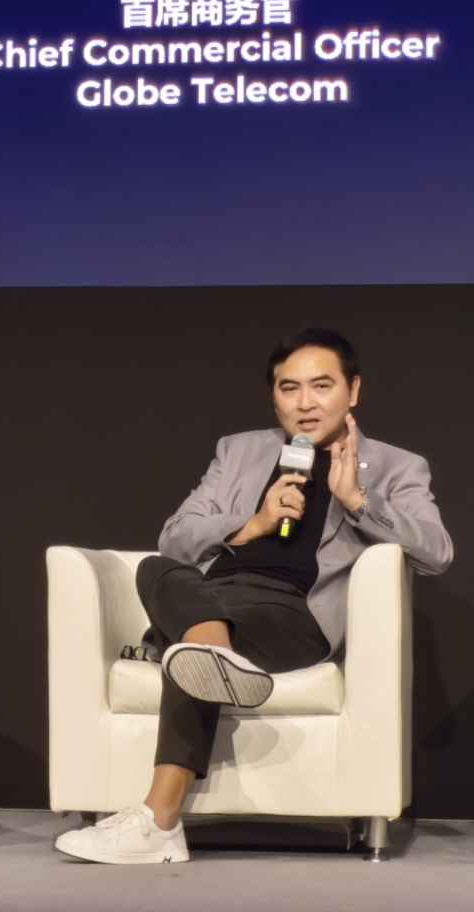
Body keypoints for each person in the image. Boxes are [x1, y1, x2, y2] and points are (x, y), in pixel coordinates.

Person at [55, 327, 453, 865]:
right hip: (211, 593)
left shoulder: (396, 466)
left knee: (190, 646)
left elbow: (436, 552)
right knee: (157, 568)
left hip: (294, 614)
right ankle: (213, 652)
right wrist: (252, 522)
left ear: (353, 390)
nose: (305, 403)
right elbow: (175, 535)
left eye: (321, 386)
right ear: (274, 396)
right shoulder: (239, 450)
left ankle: (159, 818)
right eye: (289, 388)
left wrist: (357, 501)